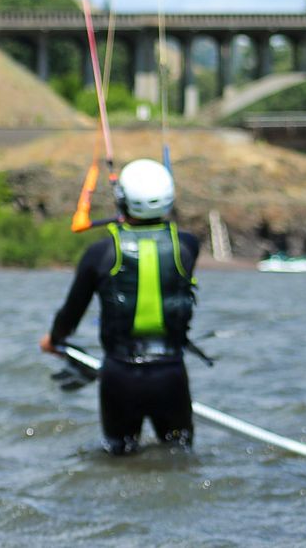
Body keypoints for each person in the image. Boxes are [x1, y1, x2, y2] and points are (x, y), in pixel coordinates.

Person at [40, 158, 199, 455]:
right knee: (179, 454)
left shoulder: (100, 253)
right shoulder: (188, 246)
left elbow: (71, 313)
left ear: (122, 199)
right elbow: (162, 235)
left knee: (119, 455)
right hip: (170, 372)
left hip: (120, 375)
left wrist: (55, 339)